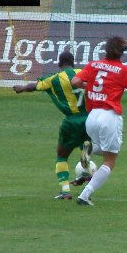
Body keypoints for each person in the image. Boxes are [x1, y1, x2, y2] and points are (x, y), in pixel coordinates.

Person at [72, 36, 127, 206]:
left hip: (92, 116)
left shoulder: (93, 65)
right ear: (122, 53)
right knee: (110, 161)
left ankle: (90, 149)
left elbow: (75, 81)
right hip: (109, 115)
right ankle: (85, 195)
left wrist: (90, 87)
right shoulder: (124, 71)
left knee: (103, 148)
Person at [13, 51, 90, 200]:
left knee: (62, 156)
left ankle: (65, 191)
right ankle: (85, 168)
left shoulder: (54, 79)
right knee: (85, 145)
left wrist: (22, 88)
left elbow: (33, 86)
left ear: (59, 63)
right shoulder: (83, 72)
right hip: (89, 119)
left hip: (71, 121)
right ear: (73, 62)